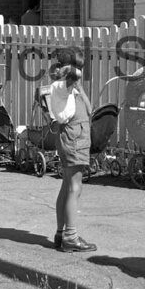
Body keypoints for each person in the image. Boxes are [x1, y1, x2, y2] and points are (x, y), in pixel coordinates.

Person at [47, 46, 96, 253]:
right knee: (74, 188)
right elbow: (72, 74)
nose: (80, 71)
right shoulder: (61, 85)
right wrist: (68, 69)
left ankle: (61, 233)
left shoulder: (71, 87)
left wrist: (80, 87)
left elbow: (90, 108)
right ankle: (71, 237)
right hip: (73, 139)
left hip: (74, 137)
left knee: (67, 187)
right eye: (77, 66)